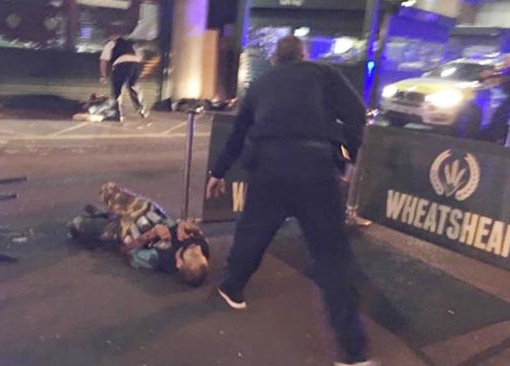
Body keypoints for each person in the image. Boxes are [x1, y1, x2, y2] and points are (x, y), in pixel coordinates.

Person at [206, 35, 376, 366]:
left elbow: (238, 134)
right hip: (316, 166)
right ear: (303, 55)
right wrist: (346, 156)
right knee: (331, 256)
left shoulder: (260, 84)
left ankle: (232, 287)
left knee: (253, 231)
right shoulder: (323, 73)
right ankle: (353, 354)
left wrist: (218, 171)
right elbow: (357, 112)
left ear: (274, 60)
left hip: (269, 166)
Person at [70, 182, 209, 287]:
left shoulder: (160, 258)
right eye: (198, 251)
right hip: (148, 211)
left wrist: (152, 234)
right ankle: (107, 215)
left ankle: (106, 218)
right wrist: (183, 225)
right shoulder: (200, 245)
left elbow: (127, 252)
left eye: (194, 252)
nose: (195, 247)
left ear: (178, 263)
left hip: (126, 229)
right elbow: (196, 231)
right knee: (108, 189)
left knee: (77, 224)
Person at [100, 34, 148, 122]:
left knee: (117, 89)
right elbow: (141, 56)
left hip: (121, 64)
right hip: (135, 64)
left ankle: (117, 114)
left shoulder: (110, 44)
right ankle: (142, 109)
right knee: (133, 86)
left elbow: (103, 60)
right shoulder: (131, 43)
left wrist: (103, 75)